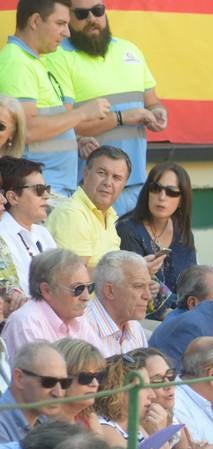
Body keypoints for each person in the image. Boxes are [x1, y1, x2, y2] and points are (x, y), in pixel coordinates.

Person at [47, 0, 163, 214]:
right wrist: (121, 117)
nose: (92, 19)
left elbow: (152, 100)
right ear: (68, 18)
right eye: (82, 14)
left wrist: (158, 112)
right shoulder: (57, 56)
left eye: (97, 11)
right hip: (91, 190)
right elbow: (60, 126)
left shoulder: (130, 50)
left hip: (136, 183)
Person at [0, 0, 111, 198]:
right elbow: (26, 130)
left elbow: (44, 123)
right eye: (60, 23)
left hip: (49, 191)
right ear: (35, 21)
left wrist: (74, 138)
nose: (67, 32)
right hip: (37, 193)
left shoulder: (35, 61)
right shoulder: (16, 63)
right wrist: (82, 114)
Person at [1, 247, 98, 360]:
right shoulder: (26, 324)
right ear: (47, 290)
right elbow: (45, 377)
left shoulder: (77, 317)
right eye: (78, 289)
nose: (86, 297)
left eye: (89, 287)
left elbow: (102, 364)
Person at [47, 145, 131, 267]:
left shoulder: (109, 214)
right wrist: (127, 275)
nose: (107, 183)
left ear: (124, 184)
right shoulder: (72, 213)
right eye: (101, 173)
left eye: (116, 178)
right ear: (86, 174)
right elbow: (75, 278)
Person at [0, 158, 56, 296]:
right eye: (39, 189)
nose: (46, 195)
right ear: (13, 198)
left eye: (46, 188)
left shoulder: (43, 233)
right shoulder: (2, 234)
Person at [0, 341, 67, 443]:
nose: (58, 393)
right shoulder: (2, 424)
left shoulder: (44, 419)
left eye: (64, 382)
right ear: (19, 378)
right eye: (48, 382)